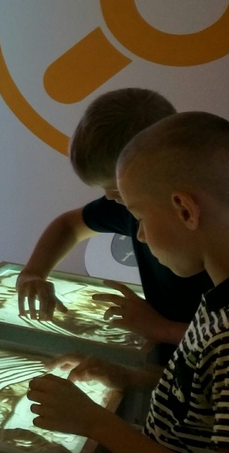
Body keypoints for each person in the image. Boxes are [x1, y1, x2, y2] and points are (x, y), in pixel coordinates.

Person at [28, 111, 229, 453]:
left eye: (138, 218)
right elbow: (205, 401)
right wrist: (133, 379)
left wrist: (99, 425)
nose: (137, 235)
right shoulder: (216, 302)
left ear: (184, 210)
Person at [17, 88, 212, 355]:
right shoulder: (125, 208)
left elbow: (221, 335)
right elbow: (69, 225)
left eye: (118, 191)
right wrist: (33, 272)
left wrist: (162, 329)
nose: (110, 199)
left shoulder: (213, 235)